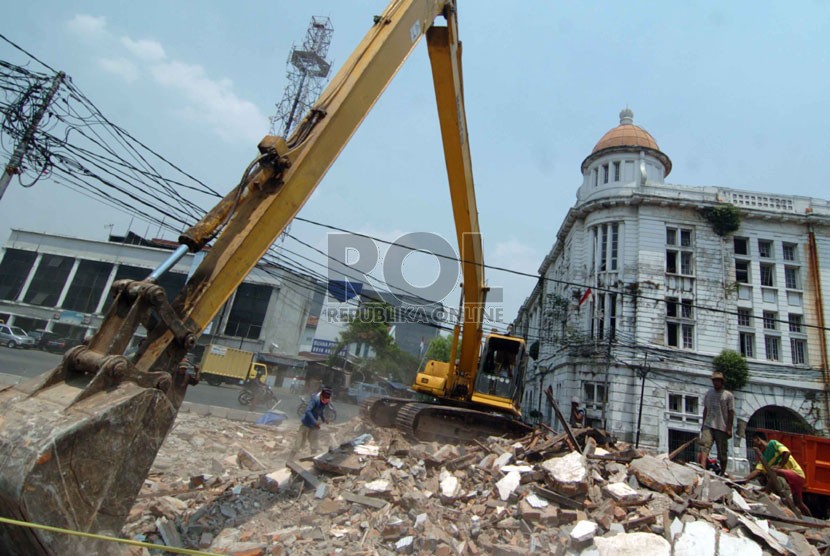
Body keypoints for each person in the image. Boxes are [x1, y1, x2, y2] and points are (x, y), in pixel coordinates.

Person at [735, 431, 812, 517]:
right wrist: (744, 479)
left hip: (796, 474)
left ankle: (767, 492)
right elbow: (757, 471)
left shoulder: (773, 443)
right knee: (798, 502)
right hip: (790, 479)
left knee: (773, 471)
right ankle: (812, 520)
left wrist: (780, 466)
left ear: (758, 439)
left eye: (754, 441)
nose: (754, 445)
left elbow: (787, 453)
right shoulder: (763, 457)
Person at [699, 371, 734, 476]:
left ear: (721, 382)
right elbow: (705, 409)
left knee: (722, 452)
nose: (716, 383)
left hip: (721, 426)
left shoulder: (728, 395)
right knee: (705, 445)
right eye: (714, 381)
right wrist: (703, 423)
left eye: (718, 381)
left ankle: (722, 473)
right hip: (709, 423)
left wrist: (729, 428)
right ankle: (703, 466)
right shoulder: (709, 393)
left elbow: (731, 412)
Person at [288, 386, 332, 459]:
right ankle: (289, 459)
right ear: (321, 396)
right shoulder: (315, 400)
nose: (325, 401)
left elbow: (320, 411)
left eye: (327, 400)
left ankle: (313, 460)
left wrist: (324, 419)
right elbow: (307, 411)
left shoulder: (325, 401)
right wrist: (315, 422)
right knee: (298, 444)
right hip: (306, 424)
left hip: (314, 426)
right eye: (324, 399)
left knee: (314, 444)